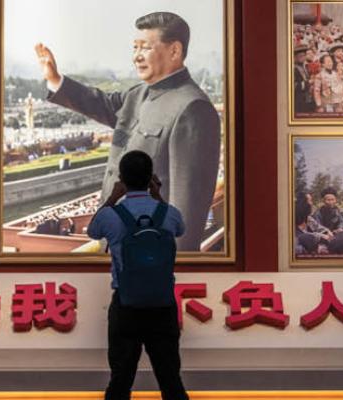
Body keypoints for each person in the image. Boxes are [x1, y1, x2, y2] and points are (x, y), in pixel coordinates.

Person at [36, 11, 220, 251]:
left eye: (145, 48)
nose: (137, 57)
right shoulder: (138, 94)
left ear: (174, 51)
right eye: (134, 48)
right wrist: (55, 79)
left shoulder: (193, 108)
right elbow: (99, 102)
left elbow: (186, 212)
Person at [87, 150, 187, 400]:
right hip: (163, 306)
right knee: (171, 381)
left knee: (120, 381)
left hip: (126, 305)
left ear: (121, 179)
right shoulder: (169, 213)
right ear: (151, 178)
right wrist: (158, 196)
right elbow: (180, 228)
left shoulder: (111, 216)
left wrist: (112, 197)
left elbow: (92, 231)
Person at [293, 45, 314, 113]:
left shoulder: (305, 67)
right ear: (295, 57)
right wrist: (308, 83)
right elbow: (293, 86)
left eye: (304, 55)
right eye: (300, 56)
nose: (302, 58)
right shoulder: (293, 69)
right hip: (299, 99)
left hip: (307, 98)